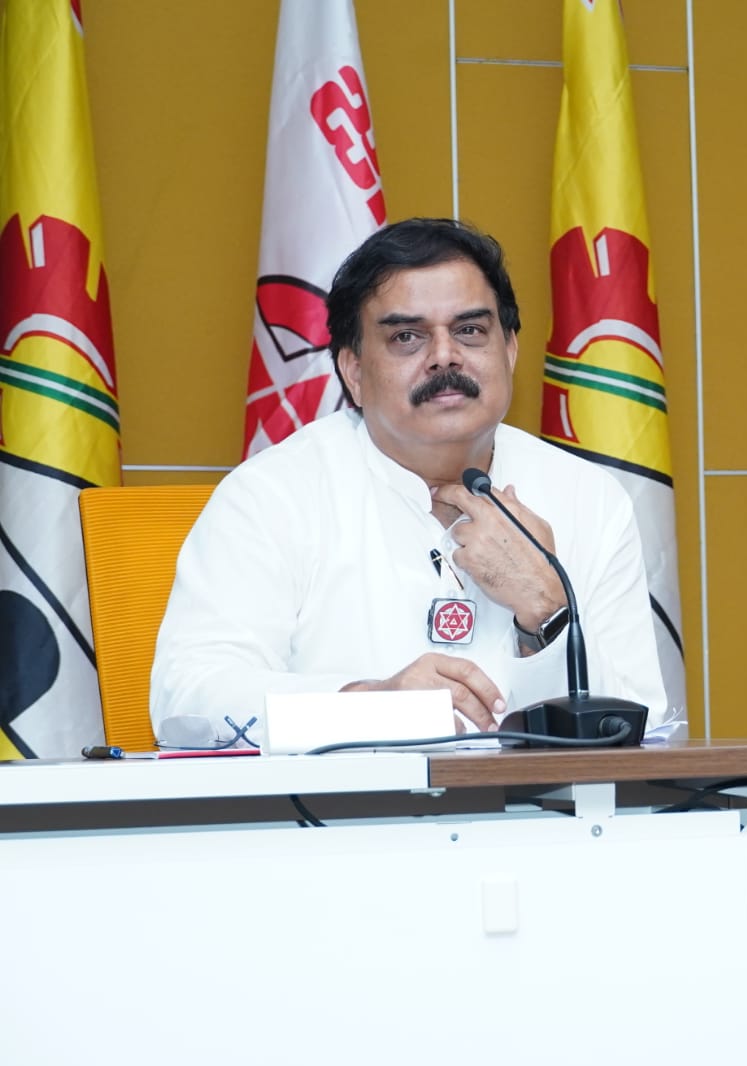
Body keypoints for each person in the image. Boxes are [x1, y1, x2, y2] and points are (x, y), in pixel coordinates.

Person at [152, 218, 673, 743]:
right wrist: (369, 706)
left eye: (469, 330)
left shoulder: (587, 497)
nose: (444, 355)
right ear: (354, 372)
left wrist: (548, 609)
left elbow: (643, 726)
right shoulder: (272, 495)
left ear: (510, 351)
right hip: (346, 797)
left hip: (538, 798)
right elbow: (189, 700)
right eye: (407, 337)